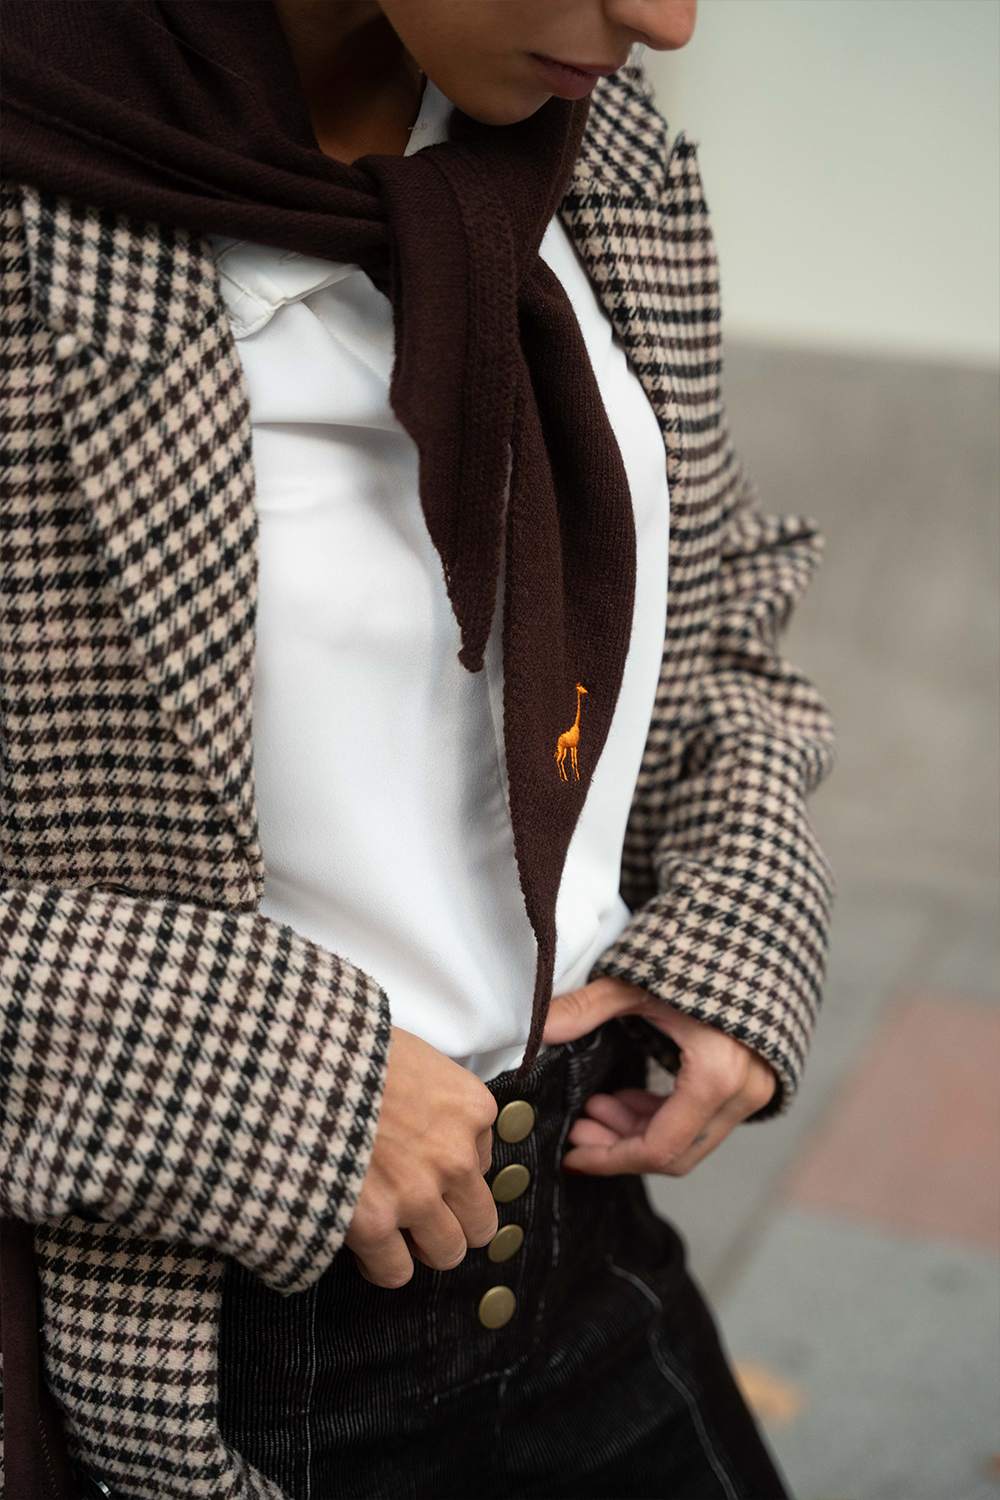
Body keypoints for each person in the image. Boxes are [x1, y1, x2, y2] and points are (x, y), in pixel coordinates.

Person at [0, 2, 835, 1496]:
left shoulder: (600, 146)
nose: (668, 20)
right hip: (192, 1345)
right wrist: (250, 1069)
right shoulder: (40, 206)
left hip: (581, 1237)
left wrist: (742, 908)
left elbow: (711, 612)